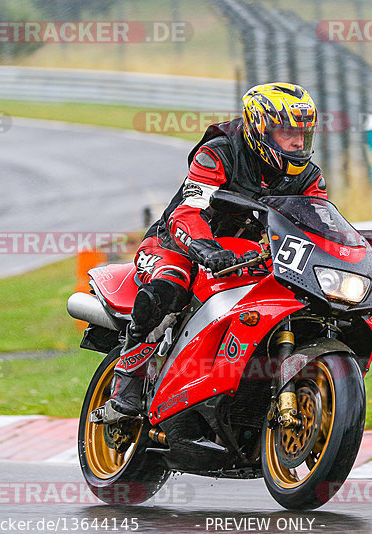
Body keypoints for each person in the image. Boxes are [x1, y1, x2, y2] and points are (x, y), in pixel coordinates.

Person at [103, 82, 328, 422]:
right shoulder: (218, 152)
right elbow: (187, 210)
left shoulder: (308, 176)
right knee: (169, 285)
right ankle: (128, 378)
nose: (298, 142)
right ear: (259, 128)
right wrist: (205, 247)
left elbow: (320, 222)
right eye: (287, 132)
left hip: (249, 255)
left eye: (303, 133)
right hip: (177, 243)